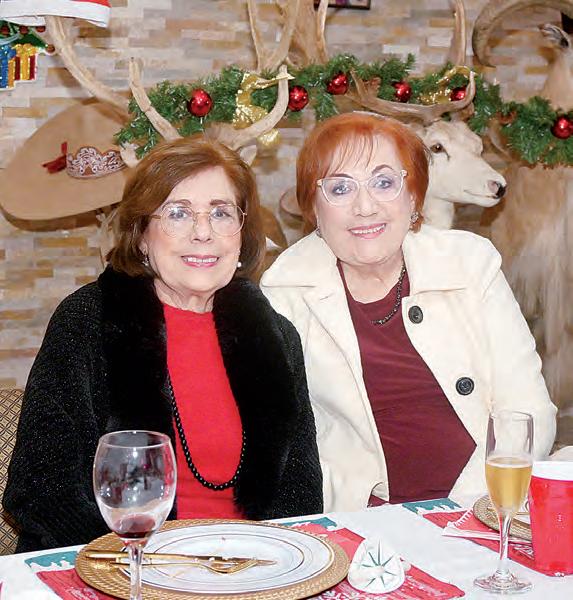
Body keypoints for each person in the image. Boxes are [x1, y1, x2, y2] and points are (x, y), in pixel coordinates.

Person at [3, 136, 322, 552]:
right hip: (120, 563)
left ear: (241, 235)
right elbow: (40, 487)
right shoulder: (88, 321)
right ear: (141, 236)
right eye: (178, 213)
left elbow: (301, 494)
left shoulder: (276, 335)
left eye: (221, 213)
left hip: (251, 565)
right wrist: (143, 563)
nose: (203, 233)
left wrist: (270, 564)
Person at [260, 112, 557, 512]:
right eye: (340, 188)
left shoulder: (471, 263)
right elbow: (282, 443)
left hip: (483, 505)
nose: (365, 206)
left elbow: (527, 410)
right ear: (314, 207)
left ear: (414, 197)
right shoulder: (285, 290)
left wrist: (463, 509)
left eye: (384, 183)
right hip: (365, 522)